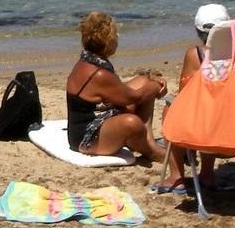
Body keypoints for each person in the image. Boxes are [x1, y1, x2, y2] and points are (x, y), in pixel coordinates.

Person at [154, 3, 235, 194]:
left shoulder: (195, 55)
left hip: (207, 132)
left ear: (198, 30)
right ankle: (207, 174)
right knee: (216, 108)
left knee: (172, 108)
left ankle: (176, 176)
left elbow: (185, 95)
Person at [66, 11, 168, 162]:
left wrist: (149, 82)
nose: (118, 38)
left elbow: (123, 92)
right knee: (132, 123)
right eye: (115, 35)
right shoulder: (99, 74)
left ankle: (148, 140)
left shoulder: (89, 61)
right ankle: (150, 151)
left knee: (142, 81)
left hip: (98, 119)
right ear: (108, 41)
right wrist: (156, 87)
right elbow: (134, 97)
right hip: (86, 136)